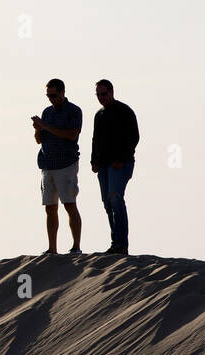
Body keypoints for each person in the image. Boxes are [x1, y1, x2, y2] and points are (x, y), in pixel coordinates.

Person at [32, 79, 83, 255]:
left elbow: (71, 134)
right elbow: (39, 139)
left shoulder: (74, 111)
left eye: (53, 95)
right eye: (48, 96)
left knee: (69, 204)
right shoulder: (47, 112)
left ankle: (76, 247)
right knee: (50, 207)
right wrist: (38, 129)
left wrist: (45, 126)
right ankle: (52, 249)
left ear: (62, 92)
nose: (51, 99)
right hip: (47, 164)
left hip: (66, 164)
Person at [90, 79, 139, 255]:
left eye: (104, 94)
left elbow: (134, 137)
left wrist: (121, 158)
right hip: (103, 166)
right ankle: (115, 243)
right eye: (98, 95)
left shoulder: (124, 111)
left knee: (115, 198)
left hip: (121, 164)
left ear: (111, 92)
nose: (101, 98)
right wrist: (93, 161)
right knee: (107, 203)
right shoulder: (99, 115)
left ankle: (121, 244)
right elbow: (95, 139)